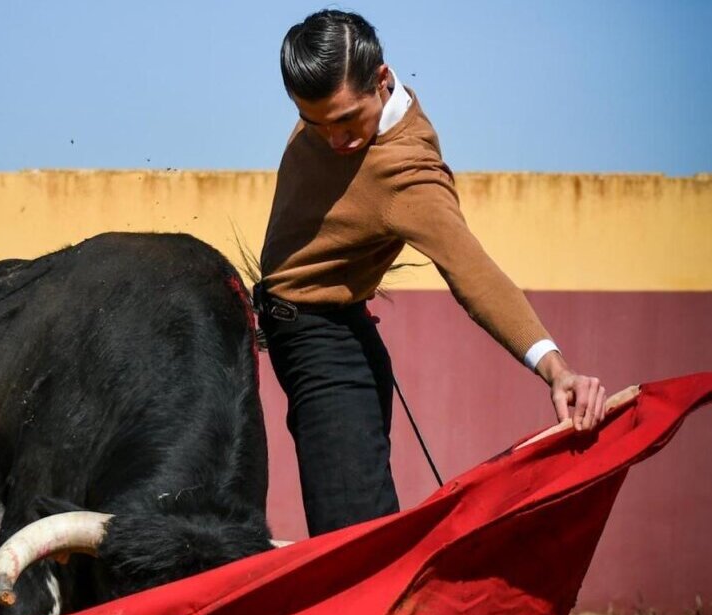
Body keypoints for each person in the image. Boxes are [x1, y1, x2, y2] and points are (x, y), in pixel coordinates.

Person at [256, 9, 607, 537]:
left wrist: (556, 371)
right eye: (314, 123)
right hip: (322, 330)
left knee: (355, 540)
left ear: (382, 80)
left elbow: (474, 274)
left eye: (347, 120)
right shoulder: (341, 92)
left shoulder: (408, 173)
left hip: (327, 348)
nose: (334, 140)